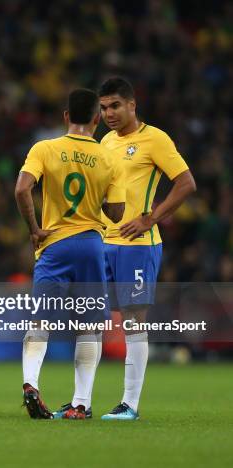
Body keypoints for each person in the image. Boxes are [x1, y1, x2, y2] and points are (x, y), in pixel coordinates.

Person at [14, 89, 126, 420]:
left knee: (41, 320)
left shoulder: (45, 148)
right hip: (91, 244)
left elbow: (22, 188)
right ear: (97, 119)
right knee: (89, 326)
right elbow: (117, 213)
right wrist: (99, 198)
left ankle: (31, 383)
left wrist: (34, 229)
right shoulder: (110, 158)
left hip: (54, 245)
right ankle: (80, 403)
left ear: (66, 117)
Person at [98, 77, 196, 420]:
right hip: (103, 243)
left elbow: (186, 183)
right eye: (104, 107)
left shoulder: (155, 139)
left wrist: (149, 219)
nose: (108, 113)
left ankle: (130, 404)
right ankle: (82, 400)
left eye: (115, 106)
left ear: (132, 106)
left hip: (137, 246)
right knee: (92, 320)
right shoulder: (106, 141)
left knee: (133, 322)